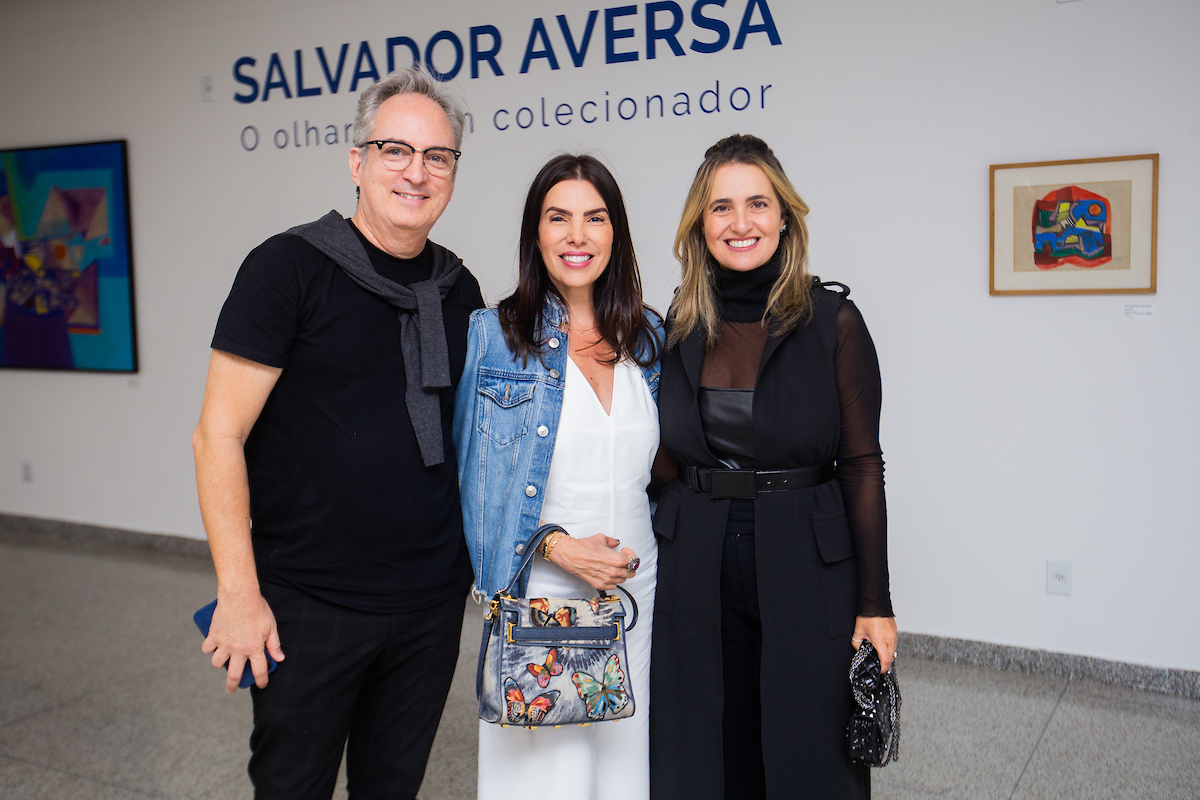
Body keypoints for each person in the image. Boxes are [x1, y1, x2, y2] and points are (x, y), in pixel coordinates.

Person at [191, 67, 483, 800]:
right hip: (309, 602)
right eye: (395, 150)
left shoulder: (457, 287)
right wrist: (238, 593)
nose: (416, 172)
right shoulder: (287, 269)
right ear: (357, 162)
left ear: (452, 172)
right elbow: (216, 436)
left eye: (436, 156)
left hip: (428, 602)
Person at [649, 134, 896, 800]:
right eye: (721, 206)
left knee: (805, 750)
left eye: (758, 203)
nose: (741, 222)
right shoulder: (677, 325)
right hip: (695, 556)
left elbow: (863, 467)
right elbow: (660, 455)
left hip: (806, 561)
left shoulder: (833, 321)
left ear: (785, 215)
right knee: (703, 745)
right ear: (700, 225)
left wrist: (877, 605)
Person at [453, 154, 663, 800]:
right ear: (535, 234)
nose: (577, 236)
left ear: (615, 233)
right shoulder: (496, 335)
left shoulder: (648, 336)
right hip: (541, 588)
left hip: (635, 590)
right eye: (558, 218)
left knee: (622, 768)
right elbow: (474, 484)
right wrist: (557, 546)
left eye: (594, 218)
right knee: (548, 777)